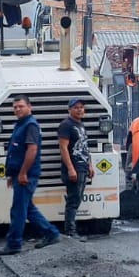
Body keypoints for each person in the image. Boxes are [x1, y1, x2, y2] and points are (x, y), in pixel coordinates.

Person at [0, 95, 61, 256]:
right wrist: (11, 175)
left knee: (18, 210)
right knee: (28, 209)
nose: (17, 109)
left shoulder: (30, 126)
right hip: (19, 174)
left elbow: (32, 150)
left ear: (29, 107)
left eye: (21, 106)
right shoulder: (20, 125)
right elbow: (15, 151)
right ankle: (51, 233)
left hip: (26, 175)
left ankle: (14, 244)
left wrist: (23, 173)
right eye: (15, 107)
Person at [57, 98, 93, 237]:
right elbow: (63, 148)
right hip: (74, 168)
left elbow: (85, 146)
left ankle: (72, 230)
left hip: (83, 167)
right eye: (76, 107)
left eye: (81, 107)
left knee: (77, 198)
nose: (79, 109)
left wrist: (90, 165)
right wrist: (71, 168)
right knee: (73, 200)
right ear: (69, 109)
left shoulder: (81, 125)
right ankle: (70, 232)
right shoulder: (66, 125)